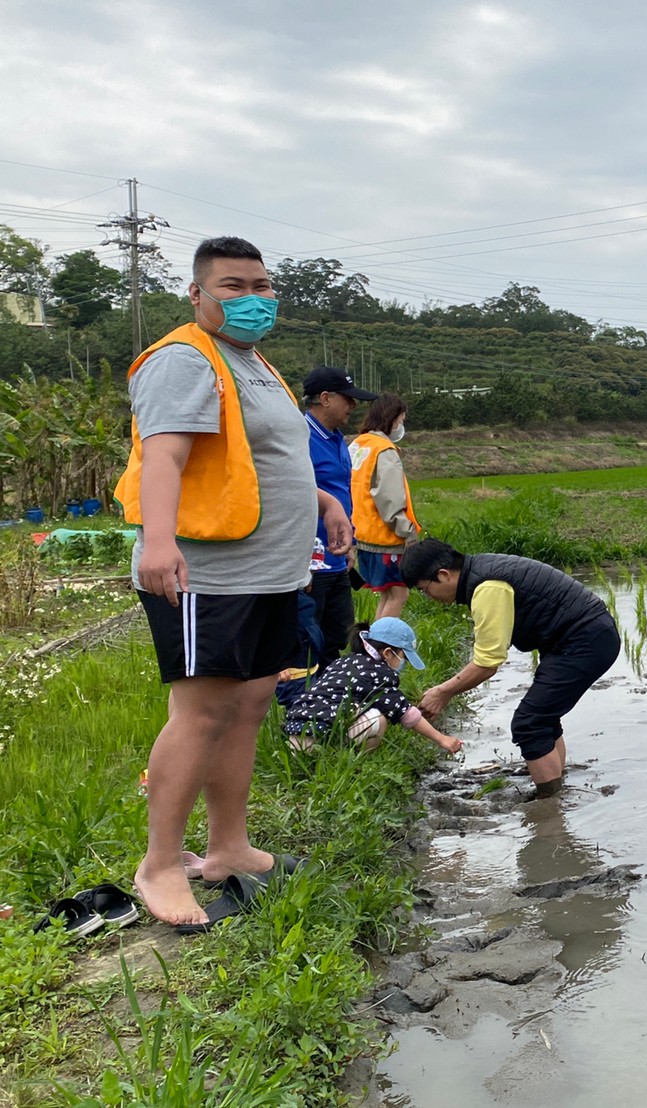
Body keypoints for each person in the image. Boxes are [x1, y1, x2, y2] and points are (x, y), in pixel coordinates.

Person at [114, 235, 352, 928]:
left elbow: (260, 457)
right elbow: (164, 457)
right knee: (203, 713)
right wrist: (159, 542)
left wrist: (323, 500)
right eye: (234, 286)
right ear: (198, 294)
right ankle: (160, 864)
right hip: (207, 574)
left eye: (261, 285)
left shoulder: (251, 363)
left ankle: (229, 847)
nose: (253, 298)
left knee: (248, 708)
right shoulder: (184, 358)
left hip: (271, 573)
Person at [401, 539, 620, 796]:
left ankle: (550, 806)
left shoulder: (487, 587)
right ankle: (556, 787)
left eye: (424, 589)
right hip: (581, 636)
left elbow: (487, 663)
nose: (427, 597)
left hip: (585, 640)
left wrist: (443, 691)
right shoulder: (481, 571)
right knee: (541, 717)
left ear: (444, 575)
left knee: (529, 723)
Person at [284, 617, 462, 755]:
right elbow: (407, 714)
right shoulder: (380, 674)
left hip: (296, 734)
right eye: (403, 657)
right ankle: (357, 763)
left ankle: (317, 758)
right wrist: (442, 739)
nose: (403, 664)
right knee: (378, 717)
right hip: (319, 739)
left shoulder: (344, 662)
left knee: (357, 707)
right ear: (388, 653)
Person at [302, 365, 376, 659]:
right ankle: (305, 700)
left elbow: (344, 493)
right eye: (347, 398)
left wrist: (351, 542)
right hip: (310, 559)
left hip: (337, 558)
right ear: (325, 398)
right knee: (308, 638)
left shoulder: (337, 439)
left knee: (338, 634)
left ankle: (332, 700)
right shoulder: (299, 438)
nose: (353, 405)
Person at [350, 393, 418, 619]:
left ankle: (374, 646)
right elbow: (389, 498)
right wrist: (407, 531)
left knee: (388, 595)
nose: (401, 425)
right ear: (392, 418)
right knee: (398, 594)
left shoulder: (358, 445)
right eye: (401, 419)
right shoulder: (384, 451)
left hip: (363, 535)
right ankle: (381, 647)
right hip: (386, 537)